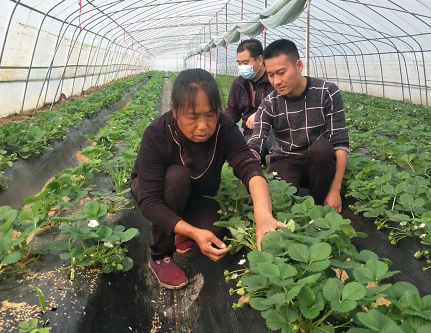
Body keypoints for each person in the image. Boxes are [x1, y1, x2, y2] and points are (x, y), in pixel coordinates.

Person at [130, 69, 285, 290]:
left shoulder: (225, 128)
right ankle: (160, 256)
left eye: (210, 115)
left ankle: (181, 229)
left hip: (198, 191)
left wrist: (264, 216)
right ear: (175, 110)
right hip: (158, 189)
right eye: (193, 117)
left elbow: (249, 167)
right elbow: (150, 202)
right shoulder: (157, 135)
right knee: (177, 178)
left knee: (214, 232)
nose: (203, 126)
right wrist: (194, 232)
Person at [248, 39, 349, 212]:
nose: (276, 81)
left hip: (316, 162)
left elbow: (340, 142)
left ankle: (319, 207)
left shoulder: (327, 92)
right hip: (285, 158)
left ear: (299, 66)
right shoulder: (269, 103)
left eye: (281, 72)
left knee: (323, 148)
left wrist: (335, 189)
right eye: (271, 75)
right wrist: (248, 158)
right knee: (281, 206)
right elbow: (257, 140)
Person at [225, 39, 274, 156]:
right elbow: (233, 111)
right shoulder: (238, 83)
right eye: (239, 63)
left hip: (273, 132)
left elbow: (284, 106)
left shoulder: (274, 79)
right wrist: (221, 123)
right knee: (248, 156)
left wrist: (261, 113)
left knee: (276, 159)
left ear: (260, 60)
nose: (242, 67)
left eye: (245, 63)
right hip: (250, 133)